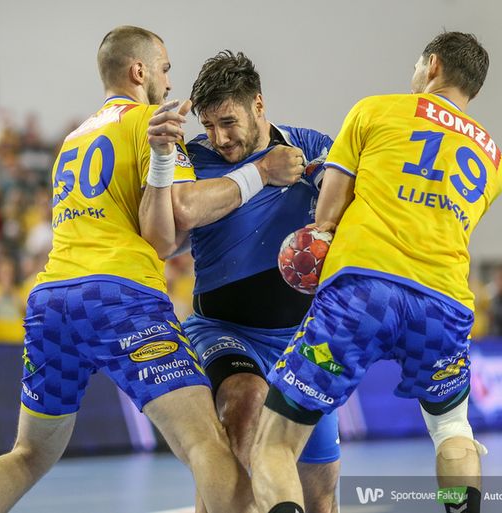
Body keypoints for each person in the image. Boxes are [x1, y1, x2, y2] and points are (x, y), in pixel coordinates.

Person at [0, 26, 255, 513]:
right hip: (119, 296)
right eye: (164, 69)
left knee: (28, 453)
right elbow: (173, 222)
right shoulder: (152, 123)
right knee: (204, 443)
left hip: (51, 300)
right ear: (139, 71)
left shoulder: (73, 139)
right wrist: (257, 176)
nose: (168, 81)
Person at [249, 31, 502, 513]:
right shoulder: (495, 159)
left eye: (417, 65)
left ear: (433, 65)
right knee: (453, 430)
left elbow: (326, 216)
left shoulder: (376, 110)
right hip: (446, 304)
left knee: (274, 445)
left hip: (364, 291)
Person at [177, 50, 340, 513]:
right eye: (209, 125)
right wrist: (263, 173)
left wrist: (329, 189)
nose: (219, 137)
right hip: (223, 330)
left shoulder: (308, 144)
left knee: (320, 494)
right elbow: (184, 211)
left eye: (228, 122)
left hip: (301, 340)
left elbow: (349, 199)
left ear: (259, 105)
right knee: (244, 400)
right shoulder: (193, 158)